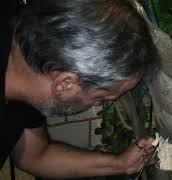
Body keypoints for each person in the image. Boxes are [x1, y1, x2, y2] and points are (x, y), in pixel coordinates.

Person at [0, 0, 157, 178]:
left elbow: (35, 155)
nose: (97, 106)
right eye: (101, 98)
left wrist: (121, 164)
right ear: (66, 84)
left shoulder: (32, 66)